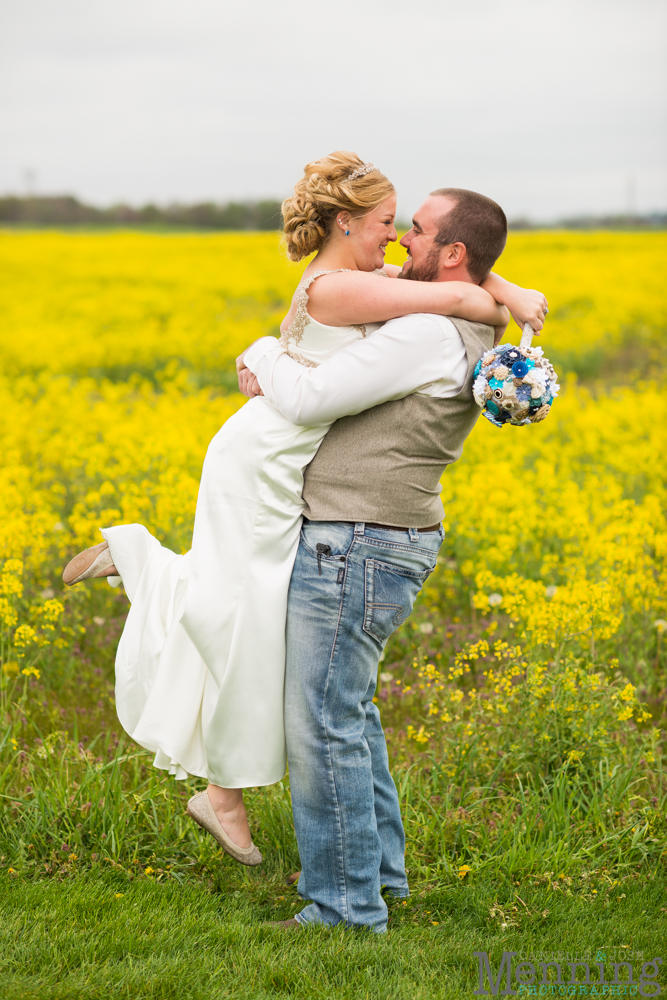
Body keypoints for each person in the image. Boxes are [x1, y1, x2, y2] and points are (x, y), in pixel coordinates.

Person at [61, 151, 546, 870]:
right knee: (245, 618)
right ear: (346, 221)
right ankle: (147, 572)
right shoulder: (342, 290)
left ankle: (157, 598)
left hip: (284, 457)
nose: (393, 239)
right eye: (388, 223)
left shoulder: (370, 281)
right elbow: (454, 300)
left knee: (249, 619)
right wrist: (485, 292)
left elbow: (451, 284)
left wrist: (493, 279)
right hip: (266, 453)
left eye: (407, 228)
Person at [237, 182, 548, 931]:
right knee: (348, 713)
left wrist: (259, 357)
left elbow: (312, 402)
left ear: (451, 253)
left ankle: (345, 907)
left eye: (417, 232)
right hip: (379, 536)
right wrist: (501, 286)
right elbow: (442, 285)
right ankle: (379, 878)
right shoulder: (459, 316)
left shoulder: (424, 334)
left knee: (322, 721)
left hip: (356, 537)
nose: (403, 241)